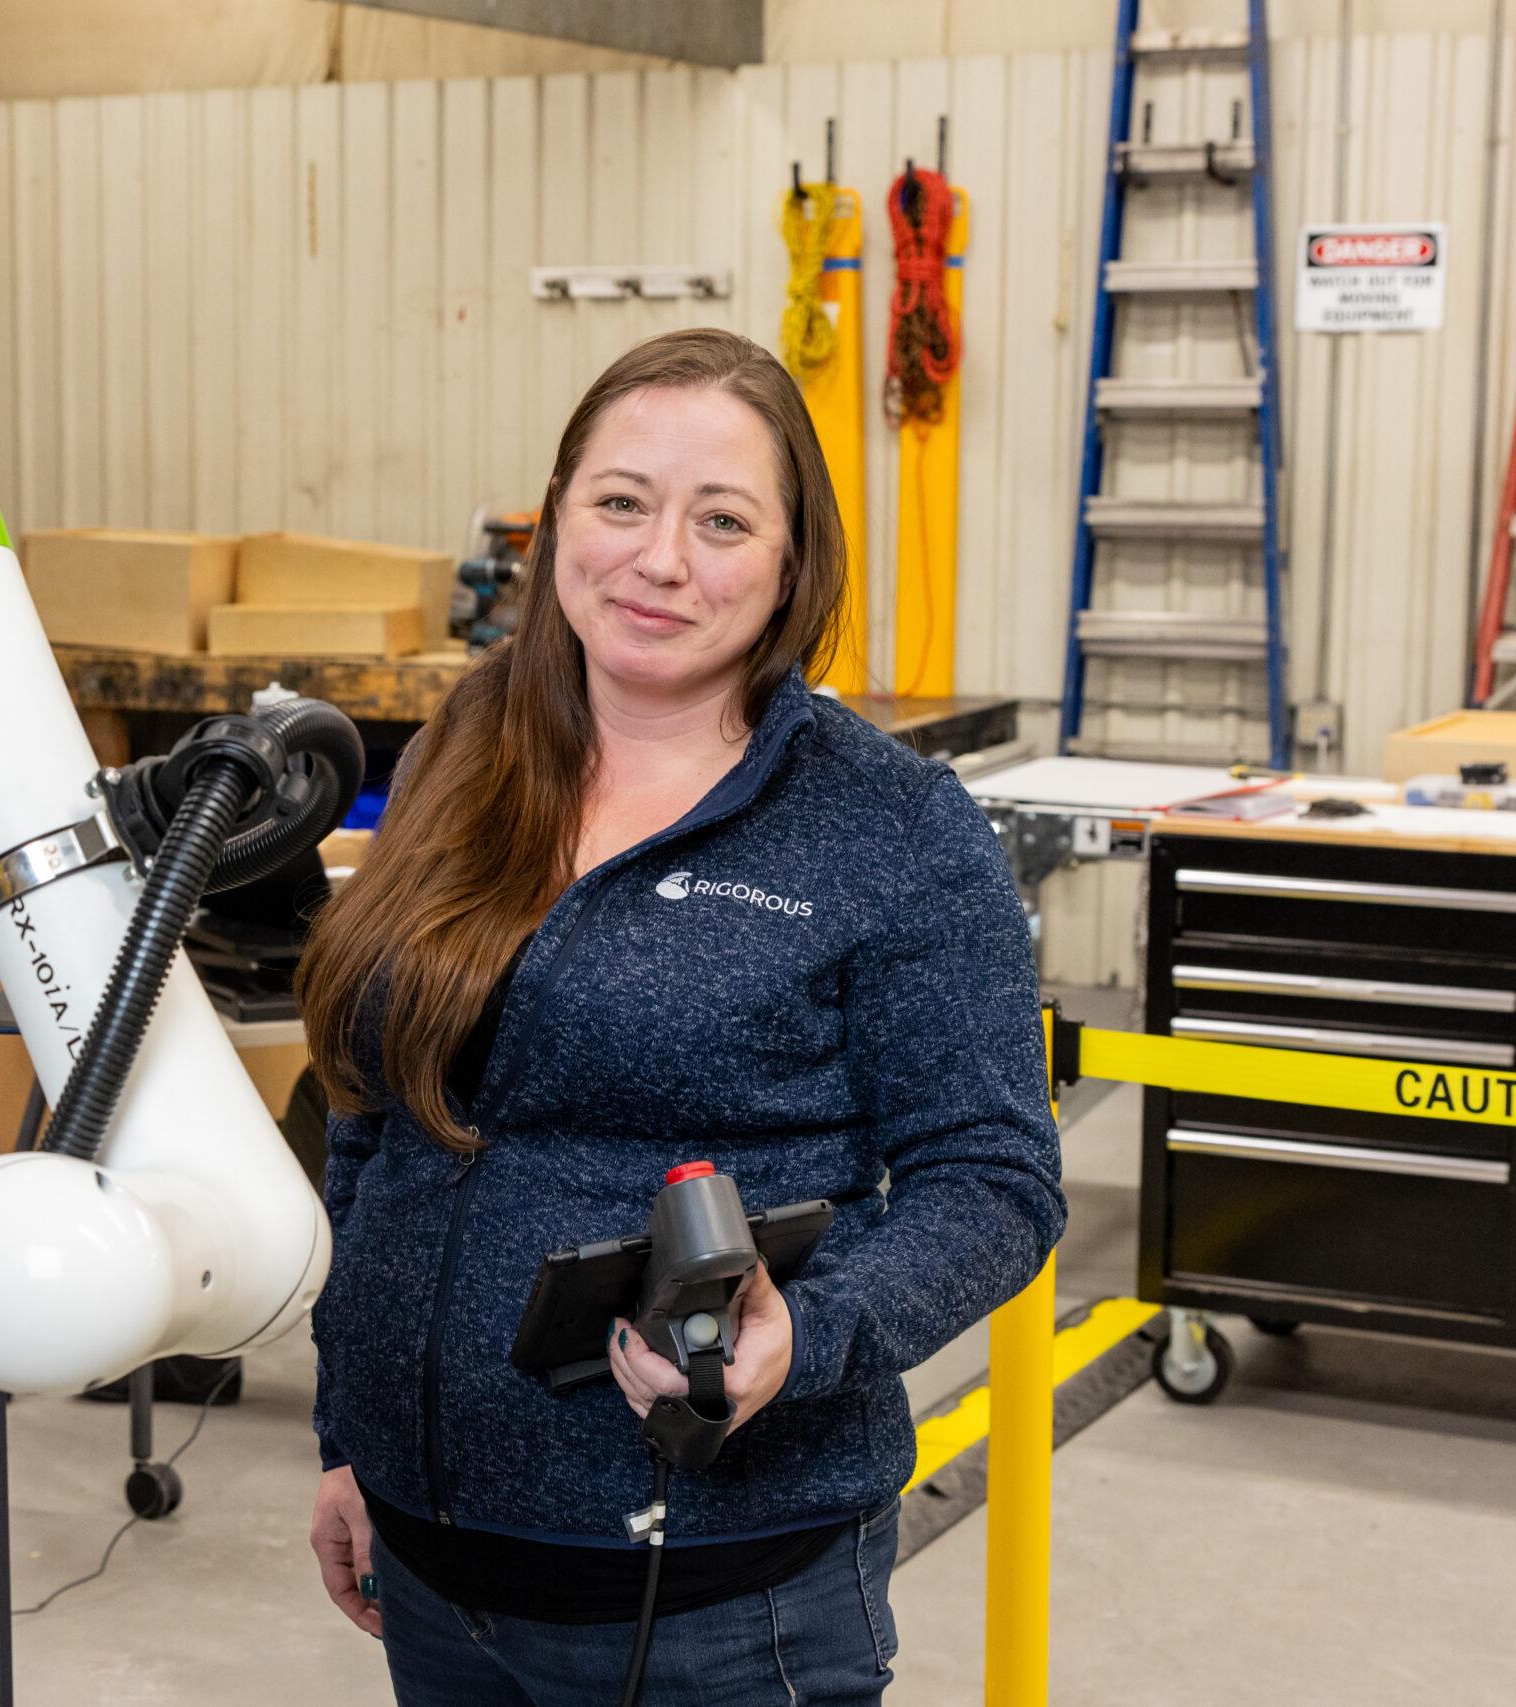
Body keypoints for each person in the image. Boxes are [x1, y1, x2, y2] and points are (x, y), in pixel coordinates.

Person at [296, 327, 1063, 1705]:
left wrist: (810, 1334)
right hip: (428, 1563)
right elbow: (376, 1119)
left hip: (726, 1596)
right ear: (556, 518)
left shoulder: (888, 824)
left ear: (791, 562)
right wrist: (348, 1432)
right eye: (621, 502)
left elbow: (994, 1179)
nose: (659, 560)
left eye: (722, 521)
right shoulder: (464, 751)